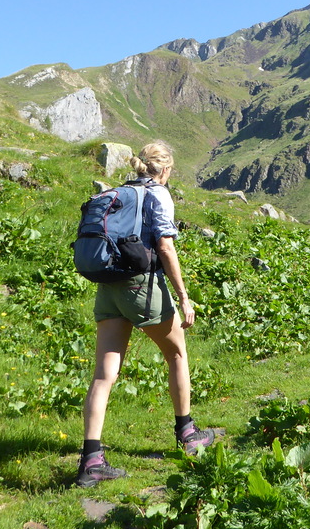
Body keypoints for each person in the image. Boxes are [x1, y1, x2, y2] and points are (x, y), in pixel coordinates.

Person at [76, 141, 216, 488]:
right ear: (165, 169)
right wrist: (184, 297)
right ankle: (188, 434)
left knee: (104, 374)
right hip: (141, 286)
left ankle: (91, 460)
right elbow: (165, 247)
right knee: (177, 354)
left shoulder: (121, 192)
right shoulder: (158, 194)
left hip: (109, 286)